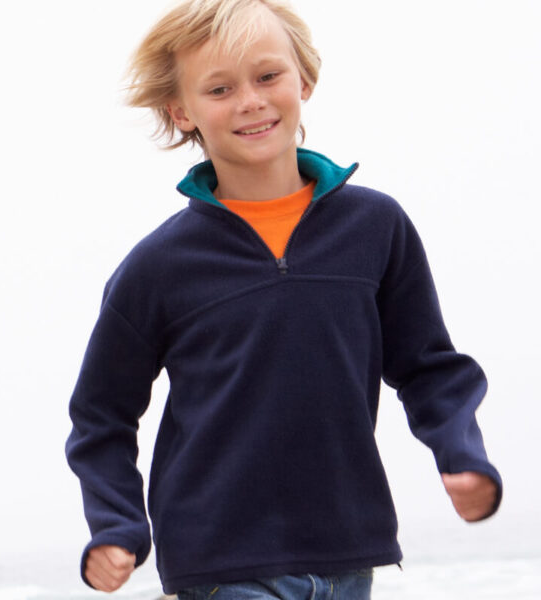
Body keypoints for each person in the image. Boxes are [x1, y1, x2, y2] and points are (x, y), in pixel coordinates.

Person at [64, 1, 502, 597]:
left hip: (350, 548)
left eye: (268, 76)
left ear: (305, 79)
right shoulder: (158, 268)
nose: (250, 100)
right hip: (222, 561)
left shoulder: (375, 227)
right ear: (181, 111)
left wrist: (460, 450)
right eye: (219, 88)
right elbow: (101, 415)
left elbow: (429, 368)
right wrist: (116, 524)